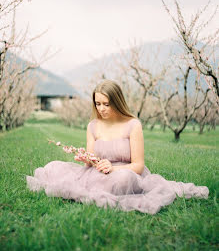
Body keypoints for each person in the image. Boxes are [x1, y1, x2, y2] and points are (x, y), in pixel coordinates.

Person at [26, 79, 209, 214]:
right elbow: (91, 160)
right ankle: (95, 189)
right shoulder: (93, 126)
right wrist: (87, 160)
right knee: (53, 167)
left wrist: (113, 168)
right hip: (97, 173)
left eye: (106, 104)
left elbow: (138, 165)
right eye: (98, 104)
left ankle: (99, 190)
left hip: (125, 173)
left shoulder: (133, 125)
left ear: (117, 102)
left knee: (123, 179)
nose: (102, 109)